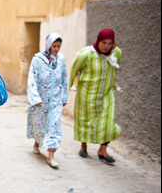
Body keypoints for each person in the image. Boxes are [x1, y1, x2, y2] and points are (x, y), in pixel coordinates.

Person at [69, 28, 122, 164]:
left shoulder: (116, 53)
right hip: (87, 94)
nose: (106, 47)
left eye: (110, 43)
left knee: (108, 121)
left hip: (107, 93)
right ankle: (83, 146)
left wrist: (113, 84)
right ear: (98, 41)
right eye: (104, 43)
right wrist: (72, 87)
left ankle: (102, 150)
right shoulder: (87, 54)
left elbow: (115, 68)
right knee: (85, 121)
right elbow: (75, 70)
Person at [27, 33, 68, 168]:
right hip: (41, 100)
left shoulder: (61, 59)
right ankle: (37, 143)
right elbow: (32, 79)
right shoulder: (38, 59)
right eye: (54, 46)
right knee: (40, 124)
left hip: (55, 100)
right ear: (48, 45)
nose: (56, 49)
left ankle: (51, 156)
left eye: (58, 46)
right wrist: (35, 98)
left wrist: (64, 97)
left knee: (54, 127)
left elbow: (63, 78)